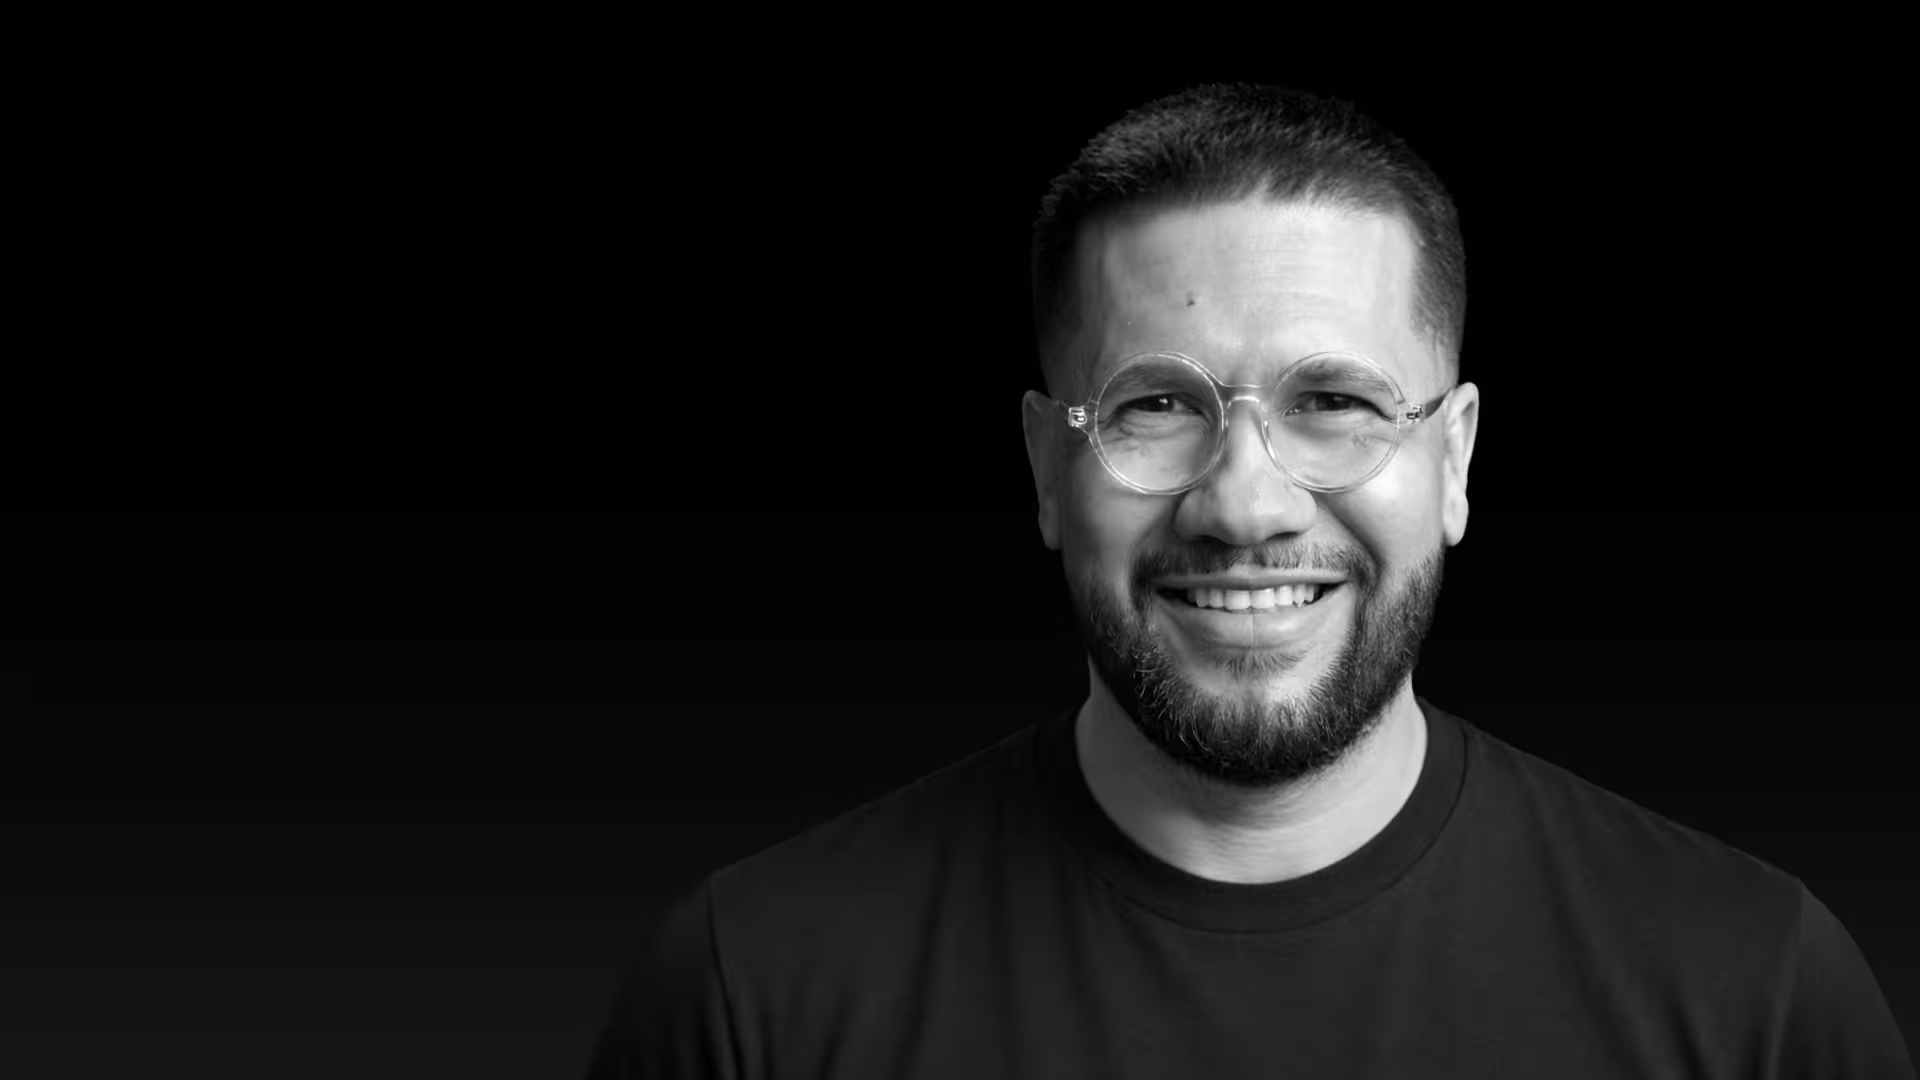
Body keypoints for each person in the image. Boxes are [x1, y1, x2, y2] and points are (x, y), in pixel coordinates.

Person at [587, 83, 1914, 1079]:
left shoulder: (1756, 996)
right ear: (1050, 468)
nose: (1245, 502)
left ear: (1451, 461)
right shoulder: (752, 993)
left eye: (1333, 398)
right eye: (1157, 404)